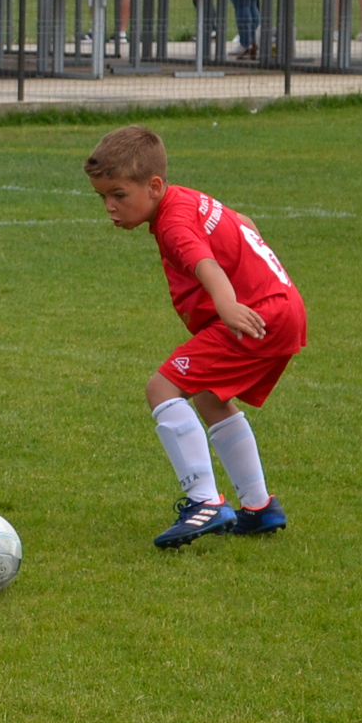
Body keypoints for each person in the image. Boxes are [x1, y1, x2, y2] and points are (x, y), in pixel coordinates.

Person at [84, 125, 303, 548]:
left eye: (119, 195)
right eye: (103, 197)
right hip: (282, 308)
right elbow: (243, 222)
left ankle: (205, 501)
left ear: (154, 186)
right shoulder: (186, 198)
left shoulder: (172, 224)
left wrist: (228, 305)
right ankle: (259, 507)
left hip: (254, 316)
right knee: (208, 396)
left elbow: (206, 265)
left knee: (162, 388)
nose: (110, 206)